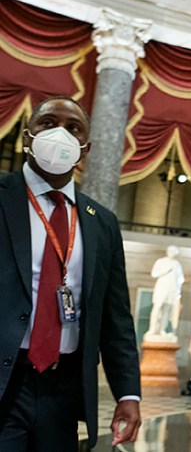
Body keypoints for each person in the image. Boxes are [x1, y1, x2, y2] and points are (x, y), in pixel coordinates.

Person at [0, 97, 141, 450]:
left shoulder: (101, 222)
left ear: (85, 148)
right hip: (5, 377)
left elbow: (116, 317)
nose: (61, 132)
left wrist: (128, 392)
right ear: (27, 136)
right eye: (48, 123)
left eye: (73, 127)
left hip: (64, 387)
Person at [145, 245, 185, 340]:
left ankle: (162, 330)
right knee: (157, 307)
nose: (172, 253)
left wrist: (178, 289)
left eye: (174, 252)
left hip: (172, 289)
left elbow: (180, 278)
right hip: (162, 287)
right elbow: (154, 273)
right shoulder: (160, 261)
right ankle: (152, 329)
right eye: (171, 251)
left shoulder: (177, 264)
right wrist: (165, 271)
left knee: (166, 310)